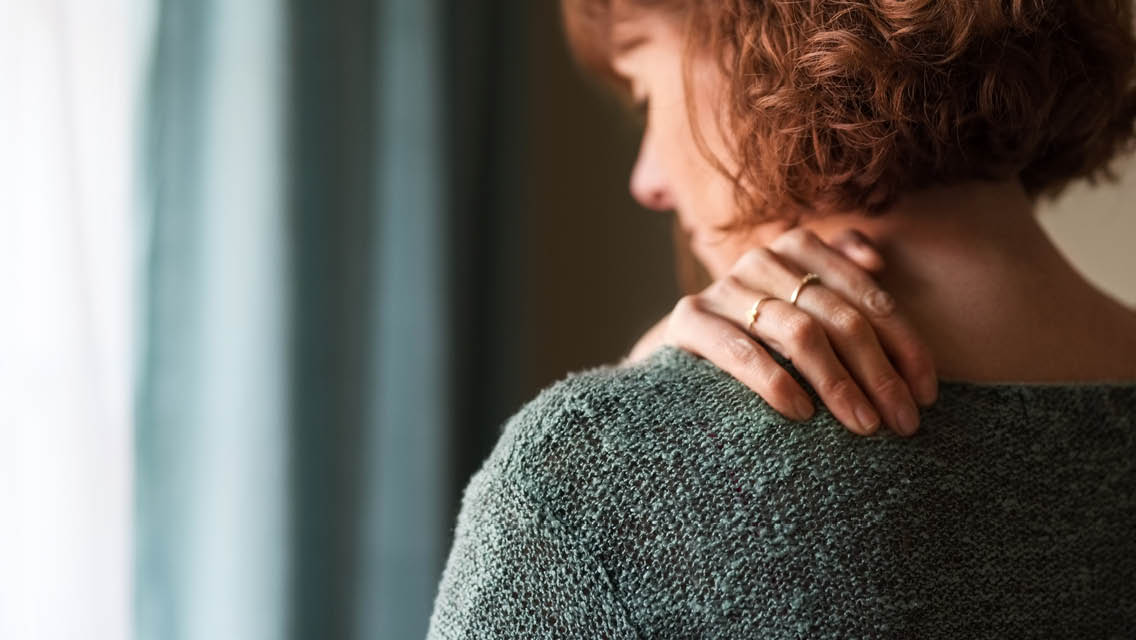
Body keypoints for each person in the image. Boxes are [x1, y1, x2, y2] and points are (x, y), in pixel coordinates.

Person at [427, 0, 1136, 636]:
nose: (648, 180)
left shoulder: (587, 478)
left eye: (647, 95)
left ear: (754, 31)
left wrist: (627, 420)